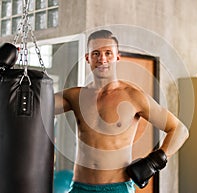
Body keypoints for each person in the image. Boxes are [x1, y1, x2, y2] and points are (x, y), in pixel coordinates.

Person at [54, 29, 189, 193]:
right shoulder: (75, 96)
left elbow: (179, 130)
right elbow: (38, 106)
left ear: (117, 57)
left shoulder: (133, 96)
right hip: (79, 187)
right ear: (88, 58)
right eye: (96, 53)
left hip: (117, 188)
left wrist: (154, 162)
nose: (102, 59)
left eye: (108, 53)